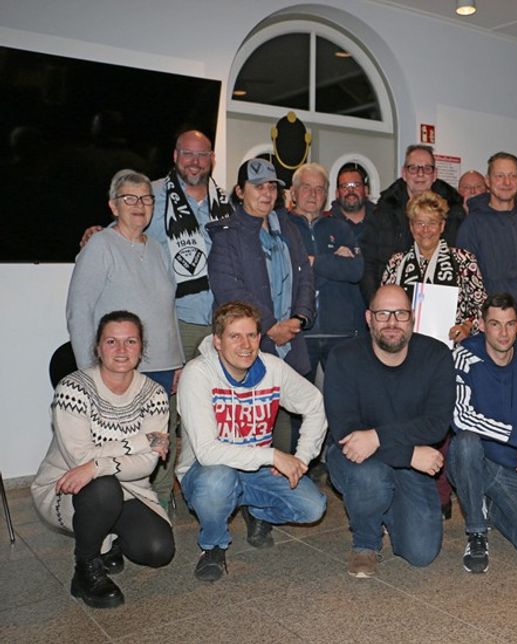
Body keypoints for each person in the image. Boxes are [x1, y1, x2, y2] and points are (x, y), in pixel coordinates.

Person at [79, 130, 233, 511]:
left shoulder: (224, 201)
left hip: (211, 323)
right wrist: (96, 231)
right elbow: (125, 225)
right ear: (175, 155)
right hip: (172, 325)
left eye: (202, 155)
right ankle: (141, 501)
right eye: (187, 154)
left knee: (202, 414)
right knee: (149, 424)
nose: (195, 161)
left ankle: (188, 492)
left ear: (211, 158)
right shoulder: (154, 193)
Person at [176, 302, 328, 582]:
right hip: (208, 470)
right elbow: (208, 453)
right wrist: (273, 456)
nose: (245, 345)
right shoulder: (198, 374)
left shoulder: (271, 367)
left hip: (255, 468)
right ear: (217, 342)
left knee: (313, 507)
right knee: (217, 482)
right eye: (235, 336)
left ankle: (254, 509)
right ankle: (213, 546)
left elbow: (314, 403)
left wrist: (303, 457)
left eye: (252, 335)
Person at [32, 311, 175, 608]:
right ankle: (85, 568)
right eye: (111, 341)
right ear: (97, 348)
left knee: (158, 550)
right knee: (103, 487)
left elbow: (147, 464)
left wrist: (98, 464)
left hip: (130, 488)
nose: (121, 350)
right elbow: (78, 458)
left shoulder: (155, 394)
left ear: (141, 348)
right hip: (68, 486)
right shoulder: (73, 388)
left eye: (130, 341)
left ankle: (107, 536)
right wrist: (144, 440)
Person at [324, 285, 456, 577]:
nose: (392, 322)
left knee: (421, 553)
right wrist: (408, 454)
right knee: (371, 477)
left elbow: (436, 425)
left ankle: (384, 507)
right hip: (358, 459)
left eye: (400, 313)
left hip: (406, 461)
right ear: (368, 318)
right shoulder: (343, 358)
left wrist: (377, 437)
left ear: (412, 318)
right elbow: (348, 434)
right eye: (383, 314)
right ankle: (366, 542)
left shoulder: (436, 356)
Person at [207, 158, 316, 453]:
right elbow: (229, 289)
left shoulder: (289, 229)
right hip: (249, 345)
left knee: (287, 423)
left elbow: (306, 276)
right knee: (249, 427)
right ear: (240, 191)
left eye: (271, 186)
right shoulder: (226, 234)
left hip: (291, 340)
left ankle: (281, 483)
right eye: (258, 186)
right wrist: (270, 326)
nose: (266, 193)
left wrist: (299, 319)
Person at [66, 169, 184, 429]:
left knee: (157, 445)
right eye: (130, 198)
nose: (139, 205)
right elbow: (79, 311)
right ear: (114, 206)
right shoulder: (100, 245)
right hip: (120, 367)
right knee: (120, 444)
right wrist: (90, 372)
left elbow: (168, 307)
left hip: (163, 368)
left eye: (146, 199)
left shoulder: (157, 249)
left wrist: (177, 361)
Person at [449, 293, 517, 573]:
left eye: (509, 324)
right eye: (495, 324)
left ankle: (491, 507)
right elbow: (460, 417)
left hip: (510, 467)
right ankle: (476, 531)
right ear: (481, 325)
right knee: (466, 443)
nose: (503, 332)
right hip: (475, 460)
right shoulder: (464, 355)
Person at [458, 152, 517, 354]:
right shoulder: (473, 225)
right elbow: (464, 282)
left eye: (512, 176)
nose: (507, 182)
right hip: (493, 330)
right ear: (488, 181)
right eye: (499, 176)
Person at [283, 163, 366, 376]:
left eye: (319, 189)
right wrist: (333, 263)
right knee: (297, 406)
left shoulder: (340, 227)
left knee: (343, 404)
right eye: (306, 187)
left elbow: (355, 271)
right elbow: (288, 273)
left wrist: (313, 262)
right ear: (294, 192)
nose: (313, 194)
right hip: (297, 334)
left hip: (341, 334)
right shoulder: (281, 227)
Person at [362, 145, 465, 302]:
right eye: (413, 168)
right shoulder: (382, 213)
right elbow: (368, 265)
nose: (420, 174)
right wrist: (377, 304)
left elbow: (463, 269)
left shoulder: (454, 213)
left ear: (435, 174)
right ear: (404, 173)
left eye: (427, 168)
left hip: (443, 306)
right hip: (394, 308)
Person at [382, 191, 487, 344]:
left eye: (432, 223)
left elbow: (483, 308)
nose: (425, 230)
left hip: (452, 348)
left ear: (442, 226)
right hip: (405, 348)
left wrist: (467, 327)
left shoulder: (463, 260)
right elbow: (383, 306)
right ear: (411, 227)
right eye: (419, 223)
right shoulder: (396, 263)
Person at [330, 162, 374, 234]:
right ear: (337, 193)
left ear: (366, 190)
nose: (350, 190)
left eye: (356, 185)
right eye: (345, 186)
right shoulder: (325, 224)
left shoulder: (382, 222)